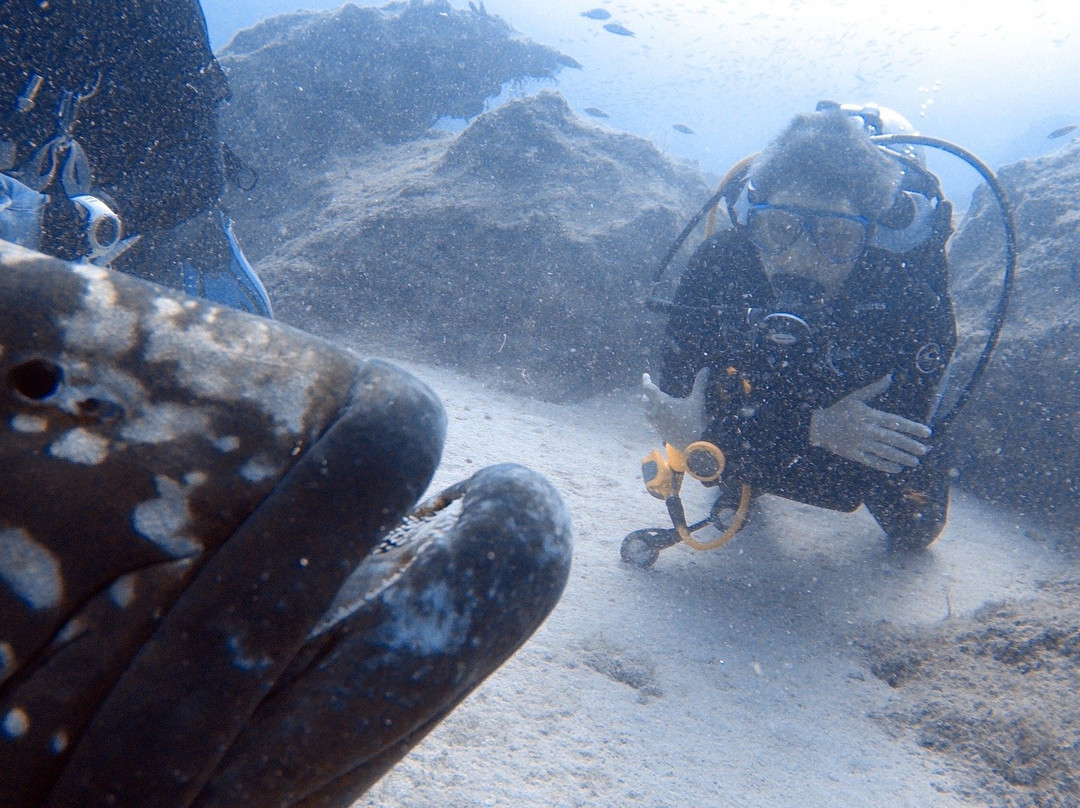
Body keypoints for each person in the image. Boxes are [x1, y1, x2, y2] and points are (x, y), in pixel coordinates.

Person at [642, 106, 957, 553]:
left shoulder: (908, 301)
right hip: (798, 420)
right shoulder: (721, 264)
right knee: (724, 469)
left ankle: (752, 462)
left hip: (815, 431)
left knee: (915, 528)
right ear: (753, 221)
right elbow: (677, 396)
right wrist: (817, 430)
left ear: (868, 240)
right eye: (780, 228)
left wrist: (729, 431)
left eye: (837, 237)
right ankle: (752, 465)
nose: (801, 258)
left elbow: (848, 487)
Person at [0, 0, 272, 316]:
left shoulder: (161, 10)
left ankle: (205, 253)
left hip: (138, 223)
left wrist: (71, 222)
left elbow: (198, 169)